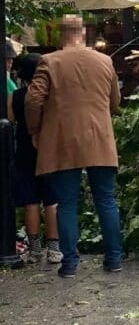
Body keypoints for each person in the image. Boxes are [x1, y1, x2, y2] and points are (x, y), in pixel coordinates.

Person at [26, 15, 122, 278]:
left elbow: (33, 100)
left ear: (60, 34)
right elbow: (115, 101)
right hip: (99, 139)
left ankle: (69, 264)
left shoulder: (50, 62)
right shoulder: (105, 61)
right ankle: (114, 259)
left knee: (67, 203)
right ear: (82, 33)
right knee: (106, 200)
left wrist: (35, 129)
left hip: (63, 142)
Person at [10, 53, 62, 264]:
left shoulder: (15, 96)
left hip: (23, 150)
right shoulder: (50, 96)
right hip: (48, 147)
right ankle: (55, 249)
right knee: (52, 199)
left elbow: (10, 119)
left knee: (30, 201)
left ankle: (34, 250)